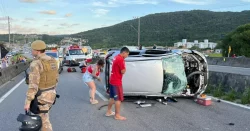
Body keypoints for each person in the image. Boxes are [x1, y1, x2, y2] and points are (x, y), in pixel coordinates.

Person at [24, 40, 59, 131]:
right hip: (51, 93)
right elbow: (56, 78)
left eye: (32, 50)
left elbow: (33, 85)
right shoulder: (52, 60)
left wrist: (28, 102)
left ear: (37, 51)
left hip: (42, 96)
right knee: (45, 117)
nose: (31, 51)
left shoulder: (36, 63)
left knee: (44, 122)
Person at [105, 47, 129, 121]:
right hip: (116, 82)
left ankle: (108, 112)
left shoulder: (116, 57)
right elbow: (123, 71)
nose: (127, 56)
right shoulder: (121, 59)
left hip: (112, 80)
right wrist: (125, 68)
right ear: (124, 53)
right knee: (118, 99)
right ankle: (117, 115)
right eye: (127, 54)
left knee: (112, 98)